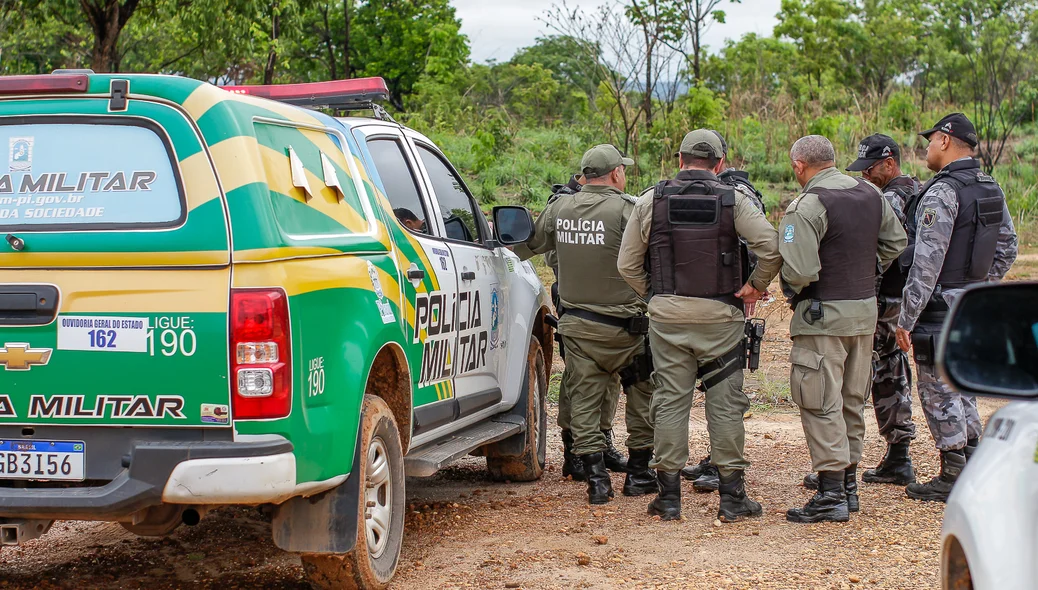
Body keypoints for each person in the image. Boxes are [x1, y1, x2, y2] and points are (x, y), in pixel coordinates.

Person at [618, 129, 782, 523]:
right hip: (721, 316)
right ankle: (732, 498)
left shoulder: (650, 200)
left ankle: (669, 499)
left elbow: (626, 263)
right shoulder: (734, 200)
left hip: (668, 317)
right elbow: (771, 249)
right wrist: (753, 288)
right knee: (725, 404)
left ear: (680, 159)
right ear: (720, 164)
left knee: (671, 400)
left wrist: (655, 296)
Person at [515, 144, 656, 505]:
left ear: (583, 176)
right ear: (615, 174)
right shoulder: (628, 209)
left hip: (579, 327)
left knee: (582, 401)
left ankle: (596, 480)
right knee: (641, 396)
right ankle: (639, 474)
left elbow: (526, 245)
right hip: (628, 330)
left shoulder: (559, 208)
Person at [779, 135, 907, 523]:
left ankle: (831, 493)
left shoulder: (805, 205)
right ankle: (848, 488)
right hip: (863, 315)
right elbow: (896, 242)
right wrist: (865, 272)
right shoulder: (871, 193)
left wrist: (794, 288)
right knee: (852, 400)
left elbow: (799, 271)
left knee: (819, 402)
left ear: (800, 166)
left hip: (822, 316)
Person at [896, 113, 1018, 502]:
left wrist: (906, 318)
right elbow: (1008, 246)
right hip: (970, 304)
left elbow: (926, 262)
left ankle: (952, 472)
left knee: (936, 390)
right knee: (962, 384)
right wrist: (980, 288)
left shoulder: (942, 192)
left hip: (937, 306)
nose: (927, 148)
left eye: (930, 141)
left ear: (946, 140)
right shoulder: (990, 187)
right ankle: (973, 463)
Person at [803, 133, 919, 492]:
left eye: (870, 169)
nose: (865, 176)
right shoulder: (919, 190)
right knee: (887, 369)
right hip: (896, 296)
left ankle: (847, 470)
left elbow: (885, 245)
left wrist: (860, 278)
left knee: (863, 377)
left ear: (890, 162)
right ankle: (891, 456)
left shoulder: (891, 197)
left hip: (878, 299)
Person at [681, 130, 770, 493]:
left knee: (720, 391)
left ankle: (721, 464)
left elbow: (757, 245)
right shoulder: (731, 195)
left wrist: (752, 287)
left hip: (719, 302)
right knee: (717, 387)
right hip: (719, 303)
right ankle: (719, 463)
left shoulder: (735, 195)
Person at [544, 175, 629, 482]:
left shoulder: (616, 208)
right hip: (577, 304)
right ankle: (574, 451)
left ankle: (602, 443)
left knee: (610, 378)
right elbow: (549, 252)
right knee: (578, 380)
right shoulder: (565, 205)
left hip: (610, 307)